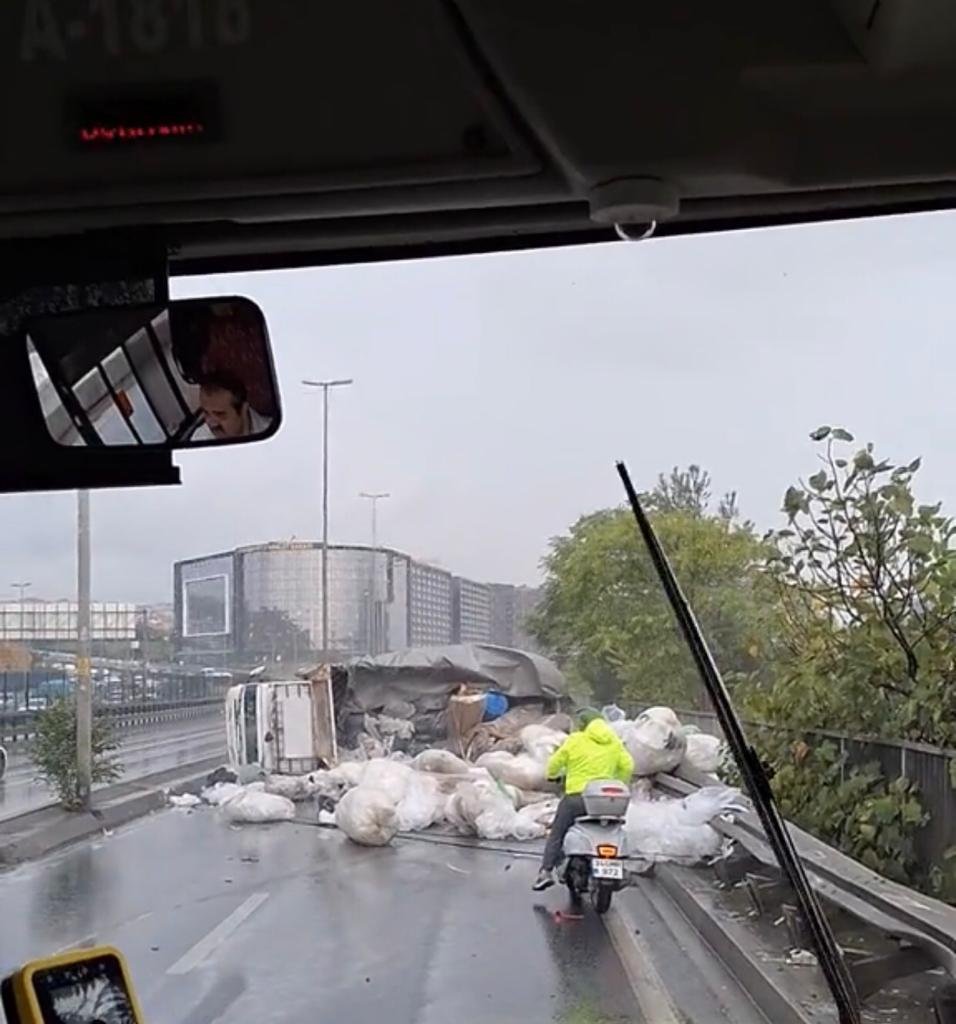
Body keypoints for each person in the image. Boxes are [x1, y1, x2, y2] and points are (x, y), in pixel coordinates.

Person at [532, 707, 634, 891]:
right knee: (612, 828)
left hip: (578, 799)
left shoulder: (575, 740)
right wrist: (617, 782)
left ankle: (545, 872)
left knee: (557, 832)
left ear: (583, 725)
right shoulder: (614, 742)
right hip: (607, 801)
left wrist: (552, 774)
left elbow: (555, 764)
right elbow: (628, 766)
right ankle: (618, 868)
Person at [194, 370, 272, 440]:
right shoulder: (200, 438)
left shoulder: (273, 436)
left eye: (219, 414)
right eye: (206, 413)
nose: (211, 423)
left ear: (243, 410)